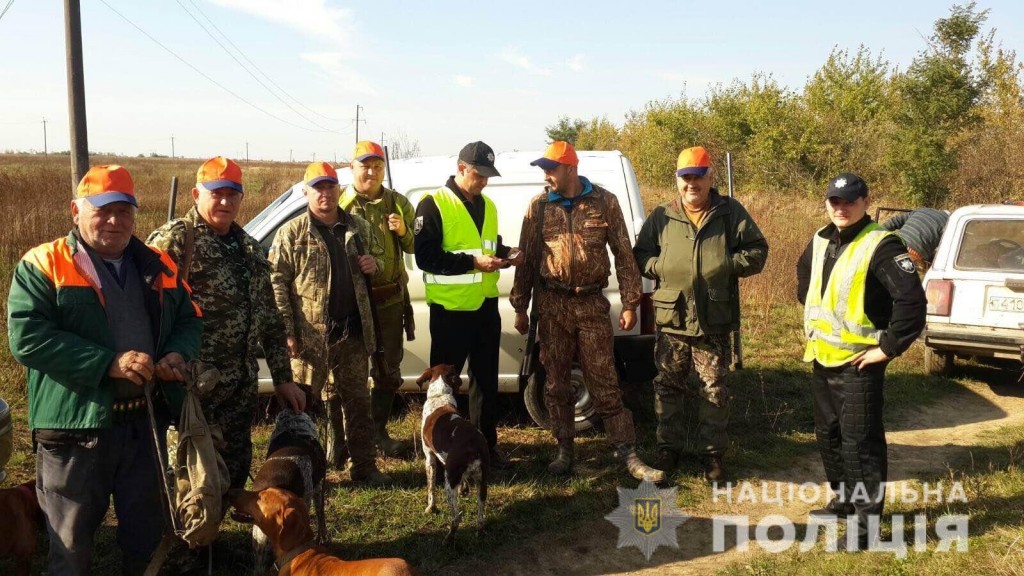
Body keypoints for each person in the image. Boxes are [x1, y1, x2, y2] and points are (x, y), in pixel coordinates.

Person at [7, 165, 203, 575]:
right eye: (103, 210)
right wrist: (106, 363)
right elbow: (28, 337)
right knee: (70, 547)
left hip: (144, 426)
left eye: (124, 211)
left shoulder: (159, 264)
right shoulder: (43, 263)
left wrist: (174, 354)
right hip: (75, 429)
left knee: (147, 540)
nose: (115, 221)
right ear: (75, 210)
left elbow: (189, 319)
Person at [147, 156, 306, 492]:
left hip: (239, 390)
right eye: (216, 194)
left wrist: (282, 378)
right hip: (192, 387)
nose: (224, 202)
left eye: (232, 194)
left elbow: (270, 316)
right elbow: (146, 307)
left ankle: (225, 522)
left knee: (233, 472)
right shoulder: (176, 240)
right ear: (196, 194)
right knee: (191, 478)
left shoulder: (248, 247)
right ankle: (189, 527)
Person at [510, 141, 664, 482]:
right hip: (552, 307)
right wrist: (520, 306)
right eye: (544, 169)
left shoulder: (604, 202)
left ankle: (628, 454)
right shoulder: (538, 207)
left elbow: (624, 253)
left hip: (592, 305)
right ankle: (564, 450)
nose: (546, 176)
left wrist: (630, 302)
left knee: (604, 381)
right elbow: (527, 258)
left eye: (551, 169)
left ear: (570, 168)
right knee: (556, 384)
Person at [797, 172, 926, 551]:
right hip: (823, 356)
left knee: (860, 445)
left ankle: (865, 530)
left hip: (861, 364)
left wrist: (887, 348)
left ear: (866, 202)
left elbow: (911, 302)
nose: (841, 208)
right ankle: (843, 503)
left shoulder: (881, 244)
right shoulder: (821, 239)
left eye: (850, 201)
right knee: (829, 436)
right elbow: (804, 276)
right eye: (834, 201)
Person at [633, 146, 768, 482]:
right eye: (686, 177)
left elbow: (757, 250)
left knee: (714, 388)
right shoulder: (662, 215)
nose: (691, 184)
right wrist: (660, 266)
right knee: (668, 386)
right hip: (673, 318)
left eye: (698, 176)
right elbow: (641, 253)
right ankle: (668, 450)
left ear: (710, 177)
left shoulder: (729, 212)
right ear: (677, 180)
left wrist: (727, 265)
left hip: (713, 316)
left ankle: (712, 456)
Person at [270, 161, 391, 484]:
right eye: (318, 188)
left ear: (339, 189)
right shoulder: (292, 233)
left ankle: (364, 467)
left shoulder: (358, 227)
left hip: (353, 334)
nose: (325, 193)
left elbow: (383, 260)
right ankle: (300, 474)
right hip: (310, 339)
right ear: (306, 192)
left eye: (330, 186)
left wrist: (374, 264)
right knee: (302, 408)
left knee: (358, 405)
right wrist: (287, 331)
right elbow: (276, 282)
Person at [413, 141, 518, 469]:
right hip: (450, 312)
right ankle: (443, 453)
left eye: (488, 175)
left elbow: (487, 245)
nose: (484, 181)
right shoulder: (433, 204)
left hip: (485, 308)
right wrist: (473, 263)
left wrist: (507, 253)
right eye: (479, 174)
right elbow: (426, 257)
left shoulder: (488, 205)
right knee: (443, 388)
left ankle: (485, 449)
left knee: (486, 382)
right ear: (461, 168)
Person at [338, 141, 415, 458]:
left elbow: (414, 247)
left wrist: (403, 231)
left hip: (389, 302)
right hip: (352, 305)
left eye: (377, 166)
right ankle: (347, 440)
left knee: (387, 370)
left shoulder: (398, 203)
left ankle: (379, 433)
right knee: (348, 374)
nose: (371, 172)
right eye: (365, 166)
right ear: (352, 167)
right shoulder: (340, 204)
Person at [879, 207, 950, 270]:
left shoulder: (923, 210)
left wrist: (879, 233)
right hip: (915, 254)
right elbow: (944, 251)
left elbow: (895, 221)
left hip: (896, 245)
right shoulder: (948, 223)